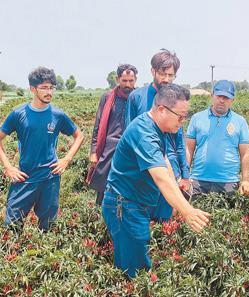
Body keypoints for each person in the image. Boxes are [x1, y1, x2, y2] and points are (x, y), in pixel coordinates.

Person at [102, 84, 210, 278]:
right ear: (161, 110)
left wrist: (177, 191)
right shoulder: (144, 132)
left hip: (135, 205)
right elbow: (160, 177)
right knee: (135, 272)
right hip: (124, 207)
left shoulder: (157, 128)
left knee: (135, 262)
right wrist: (188, 211)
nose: (182, 122)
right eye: (180, 116)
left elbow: (165, 162)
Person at [0, 67, 84, 230]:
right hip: (25, 176)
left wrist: (66, 159)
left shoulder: (58, 115)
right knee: (11, 226)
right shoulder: (18, 114)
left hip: (50, 178)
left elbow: (79, 136)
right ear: (32, 89)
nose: (49, 92)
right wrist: (8, 167)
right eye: (44, 87)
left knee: (48, 226)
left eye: (52, 87)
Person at [125, 49, 190, 220]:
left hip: (170, 166)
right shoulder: (137, 97)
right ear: (153, 71)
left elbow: (179, 142)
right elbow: (129, 134)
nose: (166, 79)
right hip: (144, 166)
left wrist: (185, 174)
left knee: (167, 217)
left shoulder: (176, 98)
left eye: (171, 75)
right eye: (163, 73)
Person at [186, 80, 249, 197]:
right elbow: (188, 149)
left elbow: (246, 154)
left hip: (228, 181)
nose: (222, 100)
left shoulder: (240, 121)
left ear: (232, 100)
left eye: (226, 98)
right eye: (219, 96)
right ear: (212, 96)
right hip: (198, 180)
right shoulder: (197, 118)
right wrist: (185, 176)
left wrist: (245, 180)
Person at [87, 64, 138, 205]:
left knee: (129, 187)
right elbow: (98, 126)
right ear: (117, 79)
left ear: (136, 80)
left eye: (131, 81)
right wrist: (93, 152)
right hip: (109, 147)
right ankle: (100, 215)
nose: (128, 84)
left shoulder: (138, 97)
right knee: (103, 186)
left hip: (131, 148)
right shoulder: (108, 97)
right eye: (124, 81)